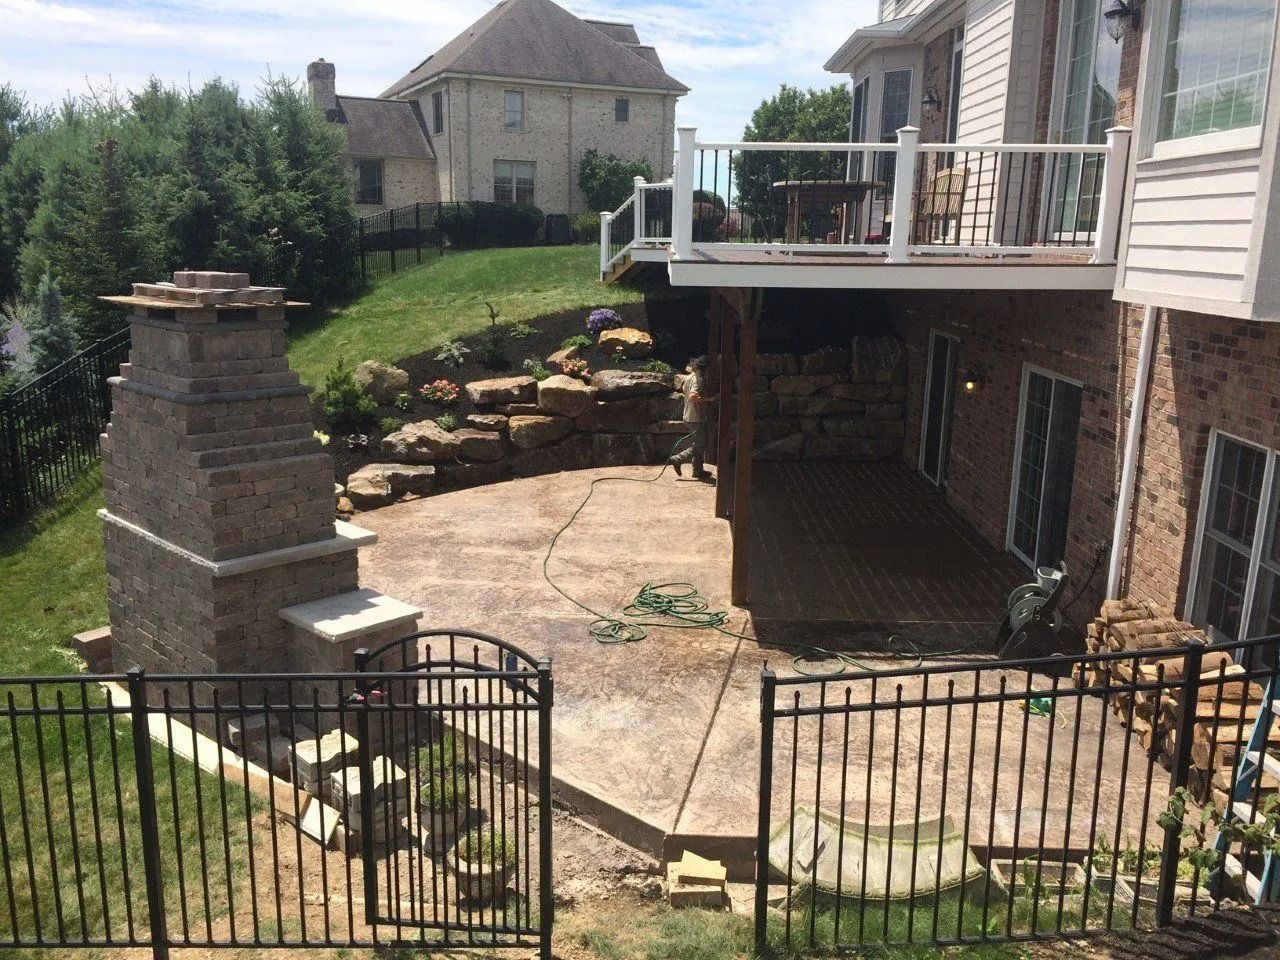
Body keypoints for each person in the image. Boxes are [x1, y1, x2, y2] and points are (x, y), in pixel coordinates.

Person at [669, 355, 711, 479]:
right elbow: (693, 396)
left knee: (697, 443)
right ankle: (678, 459)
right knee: (702, 443)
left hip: (688, 414)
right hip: (695, 417)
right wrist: (709, 399)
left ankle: (697, 471)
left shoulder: (690, 377)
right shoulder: (699, 380)